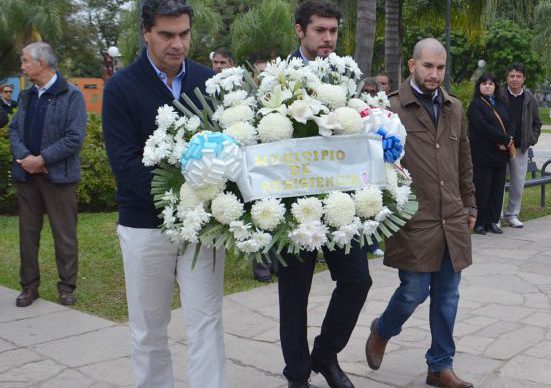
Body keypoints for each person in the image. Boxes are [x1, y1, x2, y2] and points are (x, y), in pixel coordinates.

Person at [102, 1, 227, 387]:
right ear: (146, 32)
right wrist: (182, 199)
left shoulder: (209, 82)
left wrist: (206, 203)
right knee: (148, 328)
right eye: (167, 35)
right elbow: (125, 165)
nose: (178, 44)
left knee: (207, 321)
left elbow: (229, 148)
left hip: (203, 228)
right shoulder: (121, 87)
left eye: (184, 34)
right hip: (144, 226)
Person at [365, 38, 476, 388]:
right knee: (414, 291)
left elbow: (464, 162)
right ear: (413, 66)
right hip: (414, 219)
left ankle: (440, 365)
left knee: (448, 294)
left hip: (452, 218)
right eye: (428, 66)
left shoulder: (454, 108)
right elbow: (376, 165)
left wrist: (470, 204)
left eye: (441, 67)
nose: (435, 74)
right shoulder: (392, 109)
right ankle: (383, 329)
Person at [282, 2, 372, 387]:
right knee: (295, 295)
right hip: (291, 205)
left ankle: (325, 354)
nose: (328, 38)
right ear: (300, 30)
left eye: (333, 31)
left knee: (357, 280)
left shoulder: (346, 75)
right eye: (320, 30)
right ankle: (298, 373)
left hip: (340, 203)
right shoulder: (278, 78)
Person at [8, 42, 87, 308]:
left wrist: (41, 160)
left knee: (64, 234)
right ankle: (29, 287)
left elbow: (74, 138)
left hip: (59, 178)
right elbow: (15, 131)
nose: (22, 66)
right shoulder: (27, 95)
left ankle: (67, 288)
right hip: (27, 178)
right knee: (27, 234)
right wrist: (26, 161)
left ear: (42, 63)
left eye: (26, 60)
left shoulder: (71, 95)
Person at [467, 74, 513, 235]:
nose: (488, 86)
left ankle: (492, 221)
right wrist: (504, 139)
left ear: (495, 86)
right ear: (479, 86)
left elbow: (510, 122)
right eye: (484, 83)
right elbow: (482, 127)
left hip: (500, 154)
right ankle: (480, 222)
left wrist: (508, 139)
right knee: (482, 189)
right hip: (483, 154)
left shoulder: (501, 102)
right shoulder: (475, 105)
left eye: (491, 83)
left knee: (497, 190)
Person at [501, 63, 542, 228]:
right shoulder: (500, 96)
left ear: (523, 79)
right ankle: (496, 215)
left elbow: (537, 123)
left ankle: (512, 215)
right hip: (500, 148)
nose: (515, 79)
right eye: (512, 76)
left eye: (518, 76)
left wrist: (530, 139)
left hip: (520, 149)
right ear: (507, 78)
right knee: (497, 184)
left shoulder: (530, 99)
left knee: (517, 185)